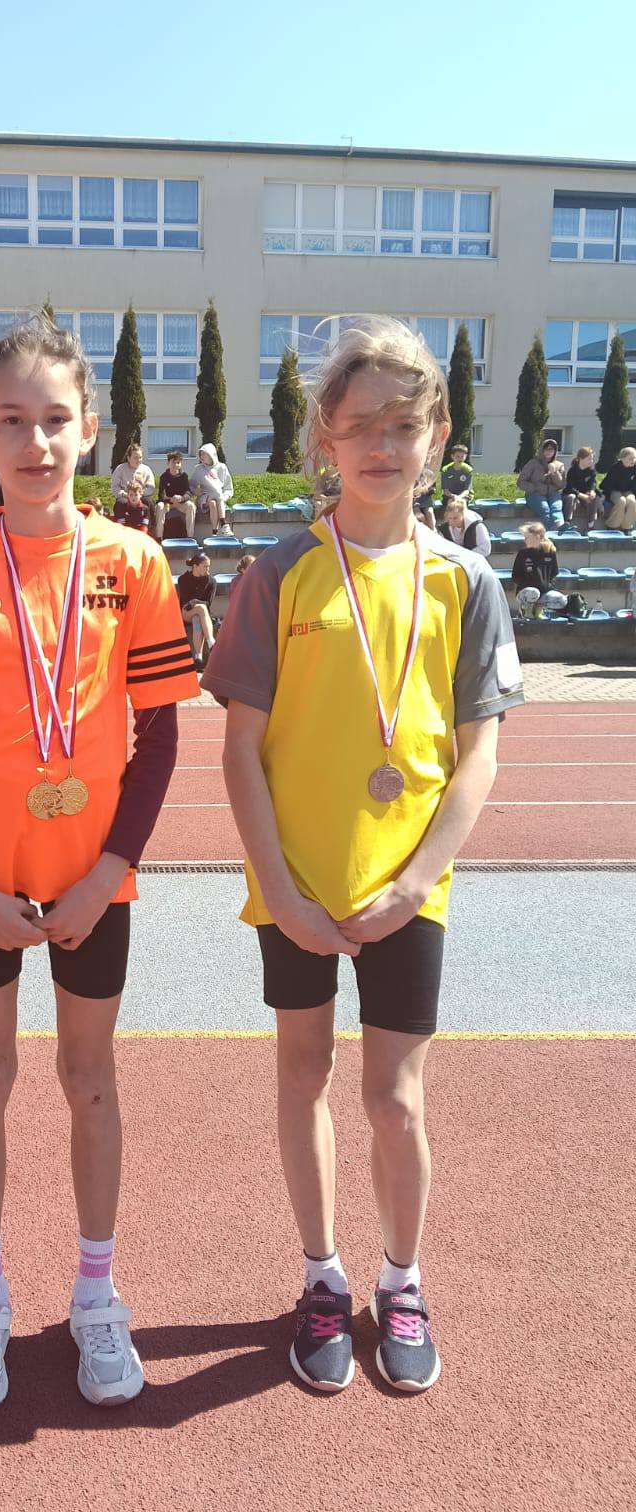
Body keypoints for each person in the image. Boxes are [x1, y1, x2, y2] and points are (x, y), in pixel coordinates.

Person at [0, 314, 198, 1412]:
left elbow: (162, 739)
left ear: (91, 428)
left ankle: (97, 1294)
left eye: (56, 419)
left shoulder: (134, 562)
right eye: (11, 421)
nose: (36, 441)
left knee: (89, 1079)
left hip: (93, 881)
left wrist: (109, 872)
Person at [202, 316, 524, 1396]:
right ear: (324, 440)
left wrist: (419, 878)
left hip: (409, 889)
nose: (383, 444)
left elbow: (477, 756)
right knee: (304, 1074)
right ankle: (321, 1277)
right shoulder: (280, 573)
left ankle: (403, 1277)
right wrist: (282, 890)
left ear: (438, 436)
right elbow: (240, 751)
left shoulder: (466, 581)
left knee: (396, 1099)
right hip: (295, 886)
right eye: (360, 425)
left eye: (404, 423)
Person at [517, 439, 566, 530]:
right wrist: (534, 488)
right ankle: (553, 530)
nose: (549, 452)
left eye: (551, 449)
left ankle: (560, 527)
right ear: (542, 450)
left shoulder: (559, 465)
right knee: (545, 509)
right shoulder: (533, 463)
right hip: (535, 494)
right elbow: (521, 482)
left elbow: (561, 485)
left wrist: (554, 473)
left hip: (553, 494)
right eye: (546, 449)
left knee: (556, 508)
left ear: (555, 451)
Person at [511, 522, 559, 614]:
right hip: (527, 591)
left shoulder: (550, 552)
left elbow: (554, 572)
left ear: (537, 537)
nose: (525, 540)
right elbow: (515, 576)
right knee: (533, 592)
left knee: (561, 600)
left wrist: (548, 586)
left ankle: (539, 609)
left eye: (527, 537)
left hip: (543, 591)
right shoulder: (523, 553)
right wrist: (528, 585)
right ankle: (526, 610)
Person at [177, 551, 216, 666]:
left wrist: (195, 602)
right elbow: (185, 602)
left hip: (201, 614)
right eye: (205, 566)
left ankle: (198, 656)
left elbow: (208, 603)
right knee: (200, 609)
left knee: (197, 618)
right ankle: (211, 642)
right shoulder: (183, 579)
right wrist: (195, 603)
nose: (208, 569)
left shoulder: (211, 581)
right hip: (186, 611)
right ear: (195, 566)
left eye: (209, 566)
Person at [153, 449, 196, 541]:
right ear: (168, 463)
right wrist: (170, 499)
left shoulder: (184, 476)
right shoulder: (164, 477)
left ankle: (190, 537)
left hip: (180, 503)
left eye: (178, 463)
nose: (175, 465)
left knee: (191, 506)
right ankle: (159, 537)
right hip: (168, 504)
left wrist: (182, 498)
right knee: (160, 506)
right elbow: (161, 495)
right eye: (173, 462)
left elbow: (188, 492)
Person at [189, 444, 233, 532]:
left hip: (219, 498)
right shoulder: (199, 469)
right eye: (200, 454)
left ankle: (214, 532)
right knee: (214, 498)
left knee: (214, 501)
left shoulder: (222, 467)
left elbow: (228, 489)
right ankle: (224, 524)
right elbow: (191, 485)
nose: (201, 456)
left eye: (204, 454)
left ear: (211, 455)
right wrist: (196, 491)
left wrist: (223, 498)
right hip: (205, 497)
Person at [109, 444, 155, 510]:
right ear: (128, 458)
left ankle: (149, 517)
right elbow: (115, 487)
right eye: (135, 458)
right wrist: (125, 494)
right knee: (120, 503)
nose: (138, 460)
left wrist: (139, 494)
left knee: (149, 502)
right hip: (125, 496)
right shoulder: (120, 469)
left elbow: (151, 487)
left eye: (140, 457)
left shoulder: (146, 469)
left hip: (141, 496)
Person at [562, 446, 599, 530]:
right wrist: (581, 495)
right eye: (589, 459)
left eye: (592, 459)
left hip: (585, 495)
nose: (591, 461)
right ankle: (567, 522)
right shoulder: (572, 471)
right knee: (571, 497)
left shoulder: (591, 471)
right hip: (573, 494)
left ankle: (590, 524)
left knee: (593, 497)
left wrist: (592, 491)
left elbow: (593, 483)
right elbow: (570, 487)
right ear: (581, 459)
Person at [601, 446, 636, 531]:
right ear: (622, 458)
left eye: (634, 458)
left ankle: (627, 527)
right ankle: (611, 525)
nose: (633, 461)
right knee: (622, 501)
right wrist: (606, 497)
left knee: (632, 501)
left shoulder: (634, 468)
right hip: (614, 490)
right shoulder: (615, 468)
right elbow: (608, 484)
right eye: (630, 459)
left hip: (628, 490)